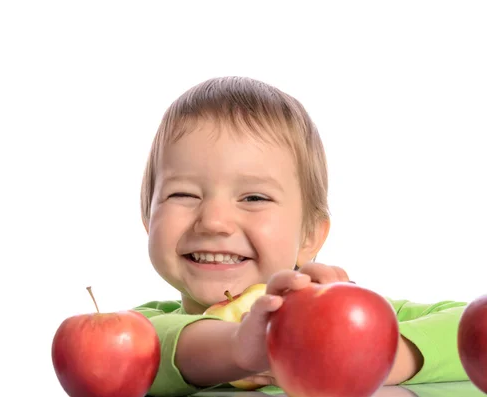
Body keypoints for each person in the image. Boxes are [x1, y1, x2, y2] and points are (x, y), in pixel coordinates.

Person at [133, 76, 468, 396]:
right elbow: (148, 350)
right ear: (149, 218)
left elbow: (470, 327)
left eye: (254, 198)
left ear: (310, 236)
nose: (214, 222)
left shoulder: (343, 321)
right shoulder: (134, 332)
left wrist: (371, 356)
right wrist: (241, 347)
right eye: (183, 195)